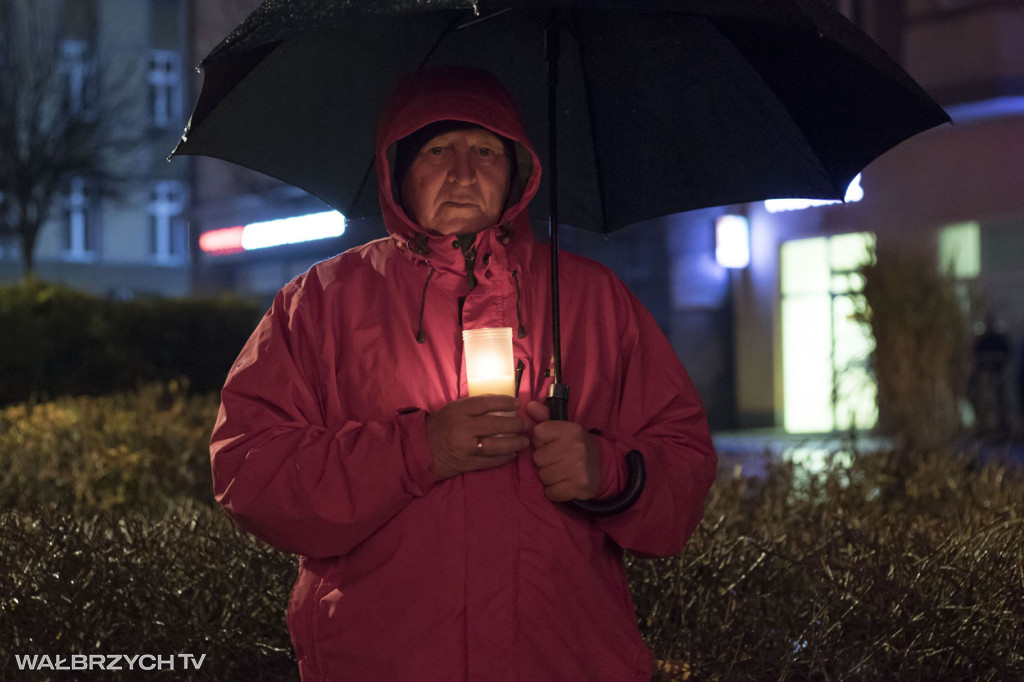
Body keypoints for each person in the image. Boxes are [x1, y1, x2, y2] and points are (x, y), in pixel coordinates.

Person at [210, 66, 716, 681]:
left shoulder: (591, 299)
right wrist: (418, 450)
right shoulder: (319, 303)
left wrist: (606, 471)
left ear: (518, 173)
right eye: (437, 150)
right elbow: (251, 472)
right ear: (397, 170)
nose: (463, 174)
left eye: (486, 151)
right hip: (384, 662)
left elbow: (683, 466)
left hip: (565, 661)